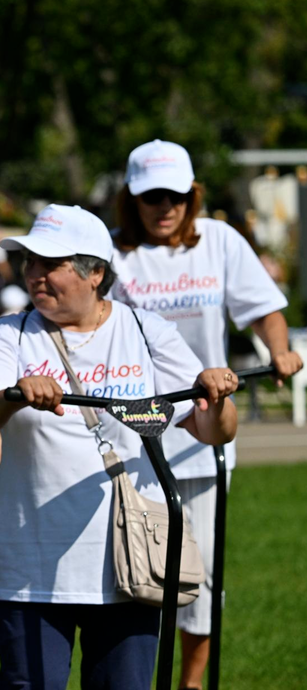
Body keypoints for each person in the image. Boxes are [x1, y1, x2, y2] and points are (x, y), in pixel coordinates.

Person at [0, 204, 239, 690]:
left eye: (51, 264)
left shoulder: (146, 331)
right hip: (34, 568)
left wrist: (214, 396)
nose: (34, 274)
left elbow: (215, 430)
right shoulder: (8, 334)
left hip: (130, 564)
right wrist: (13, 395)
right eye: (29, 262)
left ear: (96, 274)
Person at [110, 139, 304, 690]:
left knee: (205, 575)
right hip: (130, 439)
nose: (163, 208)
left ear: (192, 197)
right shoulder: (110, 252)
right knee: (137, 569)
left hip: (206, 436)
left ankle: (191, 684)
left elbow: (263, 310)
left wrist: (279, 349)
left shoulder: (218, 241)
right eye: (151, 198)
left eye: (174, 196)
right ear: (132, 200)